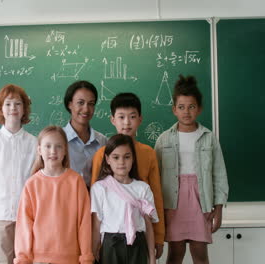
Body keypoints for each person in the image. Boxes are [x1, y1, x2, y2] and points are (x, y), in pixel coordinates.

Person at [154, 75, 229, 264]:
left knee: (200, 252)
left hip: (200, 199)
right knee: (175, 253)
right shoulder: (164, 140)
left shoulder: (208, 137)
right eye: (181, 107)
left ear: (199, 109)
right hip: (173, 201)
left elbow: (219, 174)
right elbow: (155, 177)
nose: (186, 112)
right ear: (174, 110)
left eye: (191, 107)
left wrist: (218, 209)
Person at [90, 92, 165, 258]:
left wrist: (159, 237)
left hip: (140, 236)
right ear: (112, 120)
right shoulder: (102, 154)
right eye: (121, 117)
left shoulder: (149, 153)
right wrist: (94, 243)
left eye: (132, 116)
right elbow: (95, 204)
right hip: (110, 238)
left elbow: (156, 199)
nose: (126, 122)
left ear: (140, 119)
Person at [14, 126, 93, 264]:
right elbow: (24, 225)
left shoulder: (76, 182)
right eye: (48, 146)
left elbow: (84, 222)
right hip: (39, 259)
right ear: (39, 150)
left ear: (65, 151)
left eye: (58, 146)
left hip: (70, 258)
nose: (53, 151)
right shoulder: (32, 184)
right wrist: (23, 258)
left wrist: (86, 256)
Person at [0, 84, 37, 264]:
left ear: (24, 109)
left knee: (27, 260)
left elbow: (37, 179)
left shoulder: (34, 143)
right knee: (3, 261)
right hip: (1, 215)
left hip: (27, 217)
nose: (13, 108)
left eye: (18, 104)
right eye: (8, 104)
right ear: (1, 109)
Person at [91, 134, 158, 264]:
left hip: (138, 245)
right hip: (111, 245)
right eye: (116, 157)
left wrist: (152, 256)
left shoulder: (142, 188)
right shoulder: (100, 188)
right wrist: (93, 252)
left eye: (127, 157)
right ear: (107, 159)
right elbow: (96, 225)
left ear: (133, 159)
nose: (121, 162)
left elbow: (148, 226)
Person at [63, 80, 107, 186]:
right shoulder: (57, 139)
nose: (86, 109)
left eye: (91, 104)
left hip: (96, 200)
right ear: (70, 104)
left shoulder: (102, 141)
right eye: (80, 103)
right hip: (66, 199)